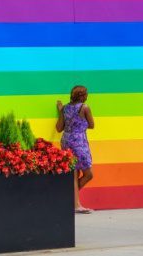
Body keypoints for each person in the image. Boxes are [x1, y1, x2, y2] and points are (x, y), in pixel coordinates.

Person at [56, 85, 95, 214]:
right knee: (88, 174)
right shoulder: (85, 108)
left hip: (66, 141)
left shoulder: (65, 108)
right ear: (82, 96)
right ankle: (74, 203)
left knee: (74, 174)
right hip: (79, 142)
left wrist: (61, 111)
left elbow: (59, 128)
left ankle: (73, 202)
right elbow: (92, 125)